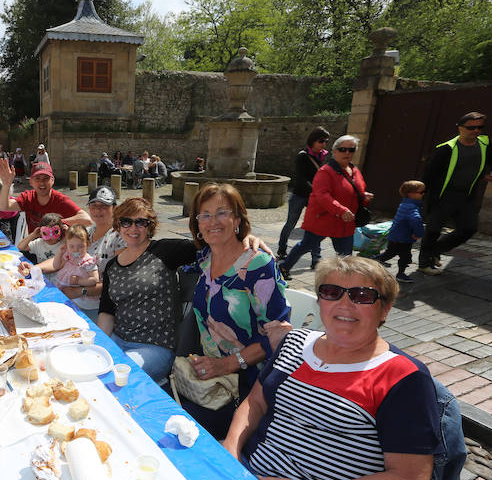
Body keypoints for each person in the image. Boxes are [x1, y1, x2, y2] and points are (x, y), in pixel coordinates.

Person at [222, 256, 440, 480]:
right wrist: (230, 448)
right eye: (332, 292)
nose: (345, 304)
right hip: (249, 474)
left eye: (362, 296)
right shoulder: (295, 342)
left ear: (385, 309)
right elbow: (255, 403)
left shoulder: (403, 378)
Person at [178, 183, 291, 438]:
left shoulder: (259, 265)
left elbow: (280, 336)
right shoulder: (205, 258)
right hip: (209, 377)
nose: (212, 221)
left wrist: (226, 364)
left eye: (222, 213)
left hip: (248, 386)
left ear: (237, 218)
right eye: (204, 215)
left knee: (175, 428)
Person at [98, 198, 199, 382]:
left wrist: (243, 236)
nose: (133, 228)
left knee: (115, 377)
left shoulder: (165, 251)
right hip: (117, 339)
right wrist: (98, 345)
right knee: (90, 365)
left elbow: (210, 244)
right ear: (118, 225)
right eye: (126, 222)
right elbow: (107, 312)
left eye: (141, 222)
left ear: (150, 225)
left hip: (154, 346)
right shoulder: (112, 266)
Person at [418, 112, 492, 275]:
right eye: (471, 127)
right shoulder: (447, 148)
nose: (476, 131)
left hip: (467, 196)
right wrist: (420, 193)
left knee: (469, 228)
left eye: (480, 127)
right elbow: (430, 173)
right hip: (443, 196)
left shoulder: (485, 144)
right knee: (434, 230)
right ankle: (424, 263)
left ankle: (435, 251)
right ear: (460, 128)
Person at [279, 135, 373, 280]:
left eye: (351, 150)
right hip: (322, 219)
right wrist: (341, 209)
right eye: (342, 149)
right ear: (334, 151)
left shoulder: (354, 170)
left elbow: (356, 190)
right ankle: (284, 267)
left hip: (344, 222)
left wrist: (363, 196)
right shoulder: (325, 172)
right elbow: (322, 196)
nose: (347, 153)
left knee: (346, 256)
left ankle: (344, 281)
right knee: (306, 245)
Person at [27, 186, 125, 318]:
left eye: (104, 206)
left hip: (97, 305)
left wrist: (81, 291)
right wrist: (35, 268)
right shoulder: (87, 232)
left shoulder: (120, 238)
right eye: (93, 205)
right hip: (72, 296)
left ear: (114, 208)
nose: (97, 210)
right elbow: (64, 258)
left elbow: (117, 282)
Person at [277, 126, 330, 261]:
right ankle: (282, 249)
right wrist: (315, 191)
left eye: (326, 141)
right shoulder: (302, 156)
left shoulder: (322, 156)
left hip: (314, 196)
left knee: (315, 226)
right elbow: (301, 179)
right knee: (291, 223)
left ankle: (316, 258)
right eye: (321, 141)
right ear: (313, 141)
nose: (324, 144)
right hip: (300, 195)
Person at [0, 159, 92, 233]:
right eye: (37, 178)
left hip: (56, 249)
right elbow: (3, 207)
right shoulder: (28, 198)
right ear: (31, 182)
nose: (42, 182)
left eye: (46, 178)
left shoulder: (60, 200)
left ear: (52, 181)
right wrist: (6, 185)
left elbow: (87, 220)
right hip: (34, 247)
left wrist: (56, 224)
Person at [376, 180, 426, 283]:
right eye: (421, 192)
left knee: (403, 255)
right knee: (392, 254)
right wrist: (419, 233)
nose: (423, 194)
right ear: (411, 194)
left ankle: (399, 271)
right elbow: (416, 220)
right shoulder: (411, 207)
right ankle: (375, 261)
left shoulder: (406, 203)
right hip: (400, 238)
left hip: (401, 236)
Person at [52, 225, 100, 311]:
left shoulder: (88, 261)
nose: (76, 250)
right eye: (71, 246)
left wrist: (79, 281)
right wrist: (60, 253)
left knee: (73, 310)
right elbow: (56, 266)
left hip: (79, 296)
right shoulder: (68, 255)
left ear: (87, 245)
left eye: (80, 246)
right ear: (66, 245)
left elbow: (95, 279)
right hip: (65, 288)